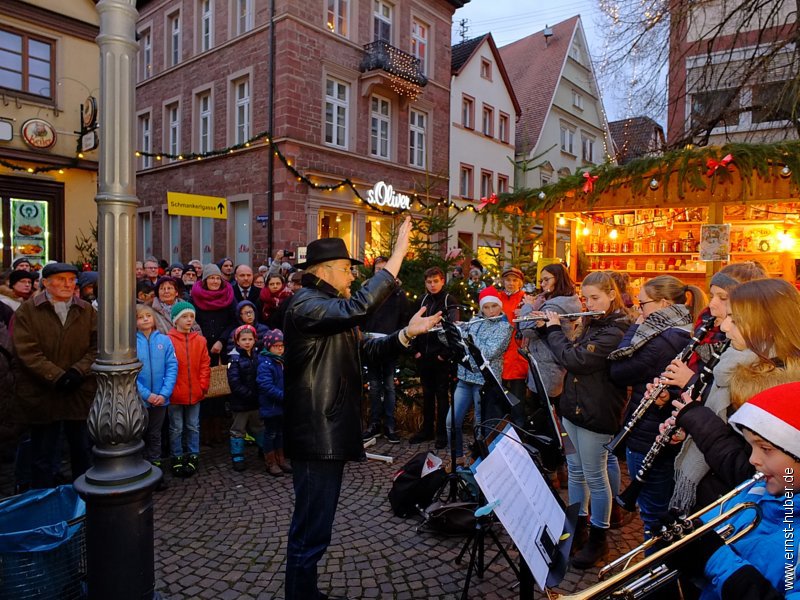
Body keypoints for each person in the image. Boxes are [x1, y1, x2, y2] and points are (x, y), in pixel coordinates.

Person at [282, 216, 441, 600]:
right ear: (323, 271)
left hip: (328, 428)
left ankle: (305, 593)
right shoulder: (307, 305)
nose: (351, 276)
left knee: (316, 524)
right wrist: (397, 257)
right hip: (316, 433)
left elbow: (367, 346)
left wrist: (407, 333)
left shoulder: (330, 306)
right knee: (310, 525)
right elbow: (360, 305)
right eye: (346, 269)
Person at [666, 277, 800, 513]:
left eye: (735, 320)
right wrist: (689, 426)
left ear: (767, 325)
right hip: (716, 497)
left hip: (736, 509)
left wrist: (698, 419)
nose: (724, 327)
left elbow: (750, 473)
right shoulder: (737, 364)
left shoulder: (777, 388)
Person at [671, 381, 799, 600]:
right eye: (752, 447)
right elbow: (711, 526)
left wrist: (716, 561)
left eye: (766, 449)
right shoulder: (754, 491)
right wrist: (685, 536)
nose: (752, 459)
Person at [539, 270, 633, 568]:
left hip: (597, 410)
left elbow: (575, 359)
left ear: (611, 296)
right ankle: (577, 529)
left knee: (596, 475)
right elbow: (571, 351)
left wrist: (554, 330)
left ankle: (599, 540)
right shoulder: (593, 323)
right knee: (576, 471)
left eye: (595, 298)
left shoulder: (615, 330)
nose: (589, 303)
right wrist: (545, 328)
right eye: (586, 297)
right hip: (574, 407)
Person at [606, 275, 705, 538]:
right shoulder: (677, 331)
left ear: (662, 304)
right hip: (657, 428)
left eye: (643, 305)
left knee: (653, 514)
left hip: (649, 433)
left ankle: (655, 565)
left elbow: (618, 370)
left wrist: (634, 328)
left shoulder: (663, 339)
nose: (640, 311)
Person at [11, 262, 97, 488]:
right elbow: (26, 351)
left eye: (71, 280)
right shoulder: (28, 310)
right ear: (46, 283)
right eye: (60, 280)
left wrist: (78, 371)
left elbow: (97, 347)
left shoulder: (86, 310)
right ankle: (44, 500)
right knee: (43, 454)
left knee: (81, 451)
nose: (67, 284)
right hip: (43, 393)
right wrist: (56, 376)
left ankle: (82, 502)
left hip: (78, 392)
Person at [446, 286, 512, 464]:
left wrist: (467, 337)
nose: (490, 311)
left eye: (494, 306)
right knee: (452, 421)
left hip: (485, 383)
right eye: (486, 307)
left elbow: (489, 351)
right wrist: (449, 331)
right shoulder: (475, 321)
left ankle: (480, 463)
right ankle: (458, 459)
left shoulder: (505, 327)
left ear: (499, 306)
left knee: (480, 426)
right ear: (481, 308)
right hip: (465, 378)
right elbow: (455, 345)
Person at [361, 256, 410, 443]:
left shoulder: (398, 293)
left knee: (389, 386)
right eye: (377, 268)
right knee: (374, 387)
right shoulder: (366, 290)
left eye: (384, 268)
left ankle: (389, 425)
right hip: (371, 344)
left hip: (390, 343)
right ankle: (374, 423)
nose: (381, 271)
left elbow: (404, 318)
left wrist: (398, 338)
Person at [409, 266, 459, 448]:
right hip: (423, 356)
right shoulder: (422, 300)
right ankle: (427, 430)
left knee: (442, 396)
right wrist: (415, 350)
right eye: (429, 282)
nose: (432, 285)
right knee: (427, 395)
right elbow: (412, 325)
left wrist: (443, 355)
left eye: (436, 281)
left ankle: (442, 433)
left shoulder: (448, 300)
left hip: (441, 358)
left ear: (442, 281)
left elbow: (454, 330)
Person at [192, 263, 238, 446]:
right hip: (201, 349)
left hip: (221, 349)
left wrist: (222, 339)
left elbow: (234, 321)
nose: (214, 281)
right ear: (204, 280)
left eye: (217, 278)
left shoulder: (229, 296)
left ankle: (218, 430)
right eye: (211, 278)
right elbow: (191, 321)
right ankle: (205, 430)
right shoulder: (195, 297)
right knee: (203, 389)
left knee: (219, 389)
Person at [135, 304, 177, 490]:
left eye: (148, 316)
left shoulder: (165, 341)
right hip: (140, 399)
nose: (145, 319)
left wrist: (163, 393)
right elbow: (131, 373)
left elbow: (172, 367)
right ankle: (139, 470)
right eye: (140, 317)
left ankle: (155, 470)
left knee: (155, 434)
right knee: (139, 434)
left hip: (161, 397)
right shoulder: (131, 343)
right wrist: (146, 394)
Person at [167, 301, 210, 477]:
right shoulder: (167, 340)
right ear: (176, 320)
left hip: (195, 393)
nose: (189, 320)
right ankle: (176, 456)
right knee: (176, 427)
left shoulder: (200, 340)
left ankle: (193, 454)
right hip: (175, 393)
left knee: (193, 426)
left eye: (191, 316)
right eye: (184, 316)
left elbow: (205, 365)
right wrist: (169, 389)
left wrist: (202, 386)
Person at [227, 324, 265, 472]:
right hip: (240, 402)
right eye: (244, 339)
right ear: (237, 341)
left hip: (256, 401)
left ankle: (264, 449)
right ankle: (237, 456)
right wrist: (249, 395)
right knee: (238, 429)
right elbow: (234, 383)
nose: (247, 342)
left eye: (250, 339)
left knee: (259, 426)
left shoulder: (258, 356)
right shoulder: (234, 359)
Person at [497, 267, 529, 427]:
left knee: (517, 402)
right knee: (500, 402)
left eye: (514, 280)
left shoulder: (525, 300)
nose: (511, 283)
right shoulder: (497, 298)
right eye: (508, 280)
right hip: (499, 356)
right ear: (503, 281)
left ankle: (519, 436)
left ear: (520, 283)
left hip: (517, 357)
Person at [257, 329, 288, 476]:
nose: (280, 349)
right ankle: (271, 462)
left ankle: (281, 459)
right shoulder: (266, 364)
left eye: (282, 346)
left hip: (281, 406)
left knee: (280, 433)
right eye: (276, 346)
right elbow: (266, 386)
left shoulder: (281, 362)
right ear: (269, 346)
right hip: (271, 406)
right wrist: (283, 396)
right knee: (270, 434)